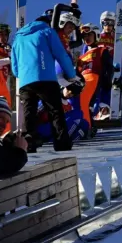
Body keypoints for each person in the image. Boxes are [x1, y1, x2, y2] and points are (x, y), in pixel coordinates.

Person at [11, 12, 81, 152]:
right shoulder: (47, 31)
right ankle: (62, 144)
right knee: (55, 111)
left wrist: (23, 75)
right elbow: (60, 54)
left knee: (29, 113)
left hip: (25, 82)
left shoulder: (18, 38)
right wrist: (72, 75)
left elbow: (14, 66)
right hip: (46, 78)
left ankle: (29, 144)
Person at [77, 24, 114, 123]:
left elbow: (109, 67)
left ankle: (90, 123)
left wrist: (107, 80)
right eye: (84, 36)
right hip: (83, 84)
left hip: (96, 82)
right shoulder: (81, 57)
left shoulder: (101, 50)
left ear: (96, 35)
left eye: (89, 35)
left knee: (90, 104)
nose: (87, 38)